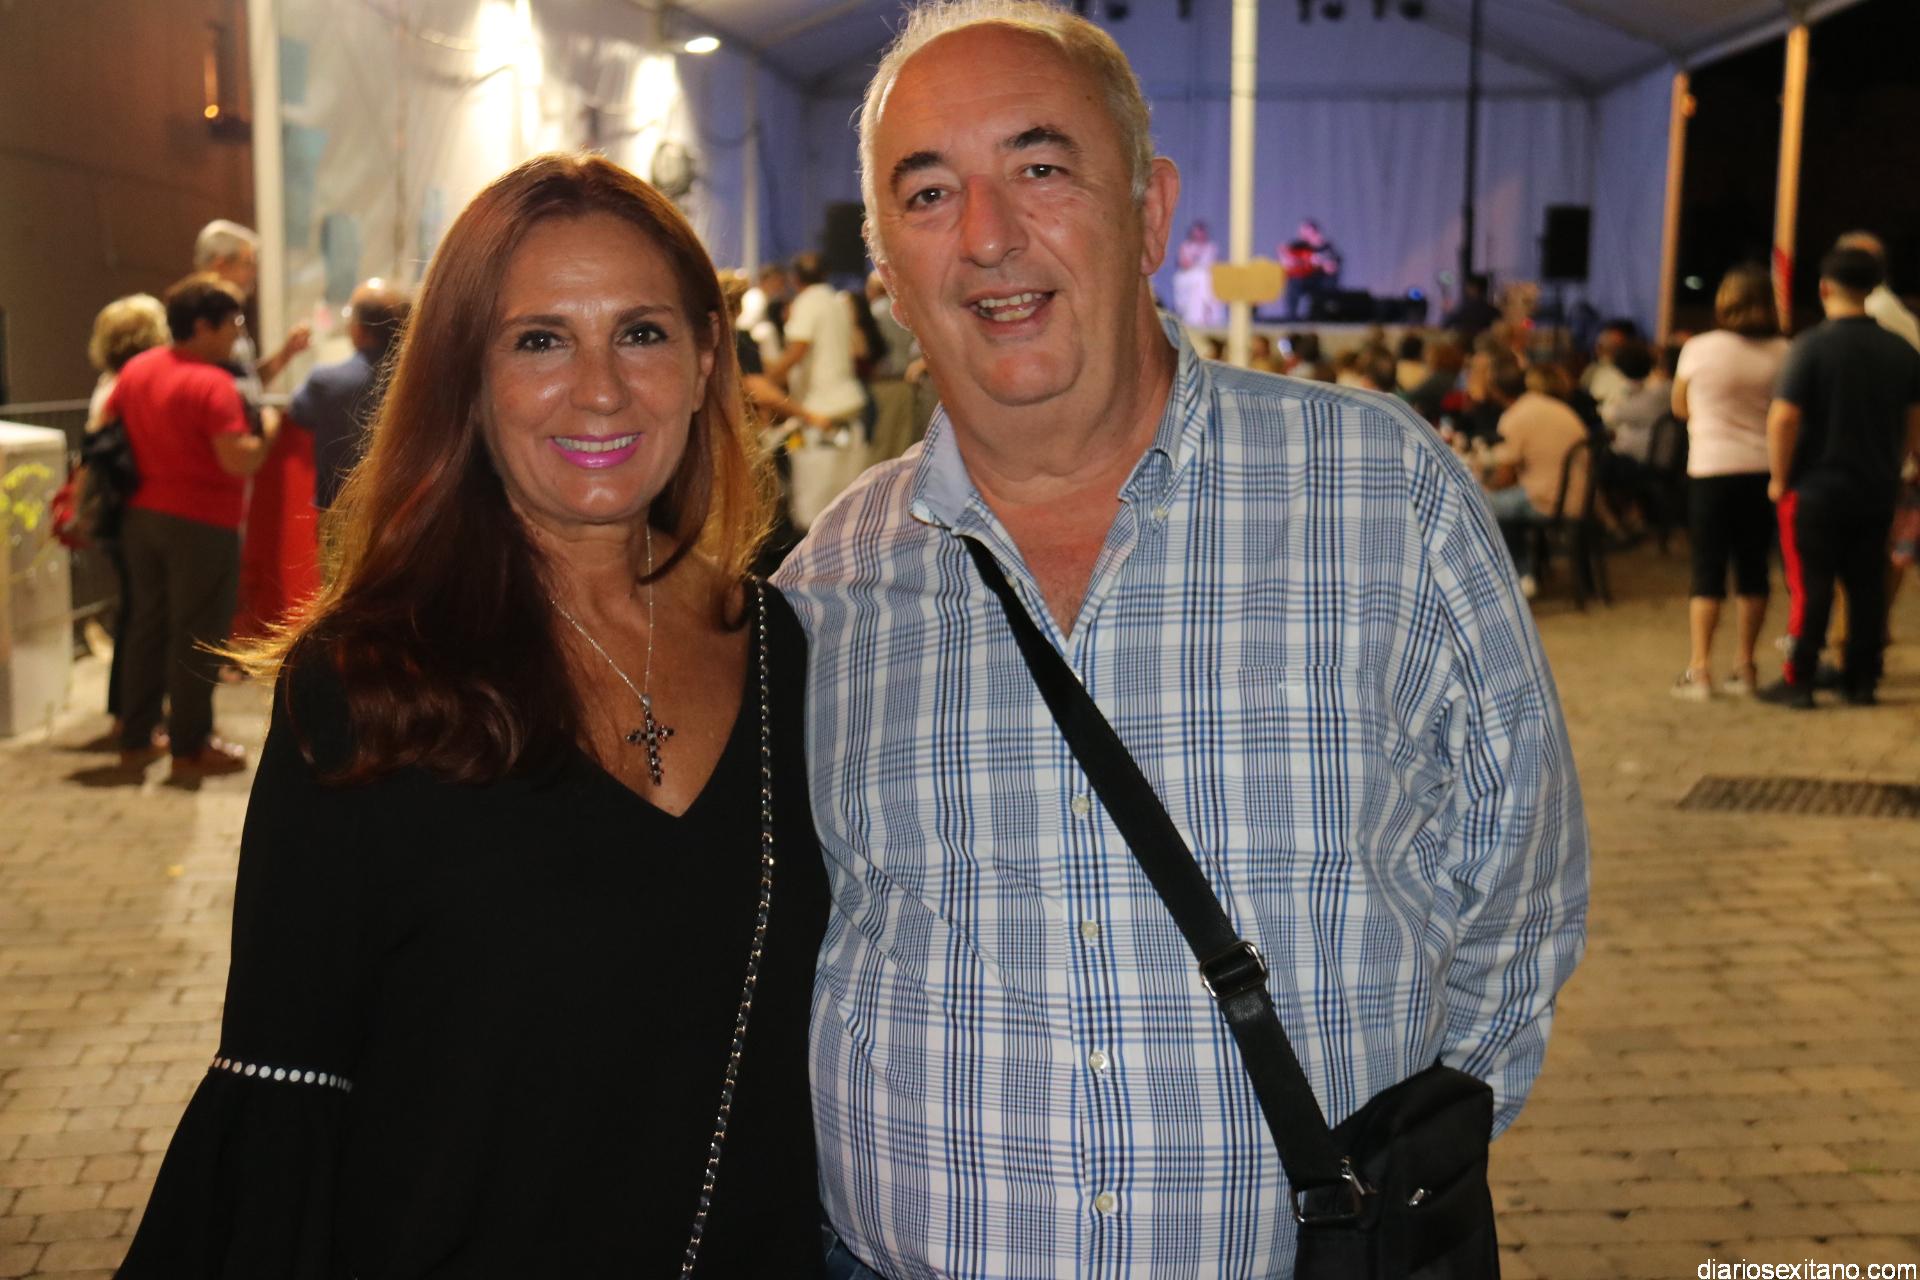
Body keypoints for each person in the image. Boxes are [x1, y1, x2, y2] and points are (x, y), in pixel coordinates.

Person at [773, 4, 1589, 1276]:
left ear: (1150, 214)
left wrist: (1391, 1174)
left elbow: (1519, 890)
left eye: (1041, 169)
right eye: (927, 194)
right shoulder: (829, 582)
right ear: (885, 267)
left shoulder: (1379, 493)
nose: (987, 235)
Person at [117, 154, 828, 1276]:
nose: (601, 389)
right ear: (466, 378)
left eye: (641, 333)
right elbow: (282, 1094)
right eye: (540, 340)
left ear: (705, 363)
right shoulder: (368, 686)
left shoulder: (786, 650)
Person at [108, 275, 278, 779]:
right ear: (203, 326)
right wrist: (267, 431)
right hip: (202, 523)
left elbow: (109, 428)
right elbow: (238, 459)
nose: (237, 332)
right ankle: (190, 746)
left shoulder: (137, 369)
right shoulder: (212, 384)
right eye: (232, 322)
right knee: (198, 633)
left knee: (146, 627)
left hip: (140, 516)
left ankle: (136, 739)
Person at [1759, 246, 1920, 709]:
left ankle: (1801, 678)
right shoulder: (1902, 351)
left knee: (1810, 585)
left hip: (1815, 487)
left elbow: (1784, 418)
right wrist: (1898, 462)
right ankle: (1861, 678)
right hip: (1877, 486)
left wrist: (1779, 477)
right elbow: (1914, 422)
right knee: (1867, 584)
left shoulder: (1811, 346)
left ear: (1825, 287)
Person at [1670, 266, 1788, 701]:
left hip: (1710, 468)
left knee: (1707, 569)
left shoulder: (1698, 349)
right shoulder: (1784, 351)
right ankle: (1746, 665)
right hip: (1762, 469)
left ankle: (1700, 668)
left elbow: (1679, 406)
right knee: (1753, 568)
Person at [81, 294, 171, 747]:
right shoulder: (131, 383)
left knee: (137, 612)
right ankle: (134, 716)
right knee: (143, 616)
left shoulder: (109, 382)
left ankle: (130, 713)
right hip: (133, 508)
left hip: (119, 509)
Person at [288, 279, 410, 512]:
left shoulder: (325, 381)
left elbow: (298, 413)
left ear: (358, 329)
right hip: (400, 514)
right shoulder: (422, 381)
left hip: (337, 512)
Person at [1481, 361, 1589, 596]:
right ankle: (1524, 572)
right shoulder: (1556, 407)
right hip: (1578, 495)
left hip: (1548, 500)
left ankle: (1518, 576)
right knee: (1500, 504)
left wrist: (1481, 483)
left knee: (1480, 505)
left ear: (1495, 390)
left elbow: (1505, 475)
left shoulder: (1515, 416)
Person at [192, 219, 312, 392]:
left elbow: (247, 382)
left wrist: (287, 352)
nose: (254, 273)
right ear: (220, 265)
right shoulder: (198, 319)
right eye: (248, 263)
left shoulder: (232, 315)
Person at [769, 251, 867, 426]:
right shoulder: (838, 301)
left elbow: (797, 350)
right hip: (848, 398)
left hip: (821, 406)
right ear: (824, 274)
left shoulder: (807, 301)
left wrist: (767, 379)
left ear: (795, 278)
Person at [1171, 218, 1224, 327]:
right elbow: (1183, 263)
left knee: (1206, 279)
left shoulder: (1211, 247)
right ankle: (1196, 316)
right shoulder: (1186, 246)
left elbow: (1216, 265)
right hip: (1188, 276)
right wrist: (1198, 265)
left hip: (1208, 277)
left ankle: (1210, 314)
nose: (1199, 236)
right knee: (1200, 278)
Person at [1443, 272, 1501, 340]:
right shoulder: (1494, 312)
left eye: (1468, 287)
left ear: (1474, 288)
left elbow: (1446, 325)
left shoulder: (1464, 310)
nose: (1466, 290)